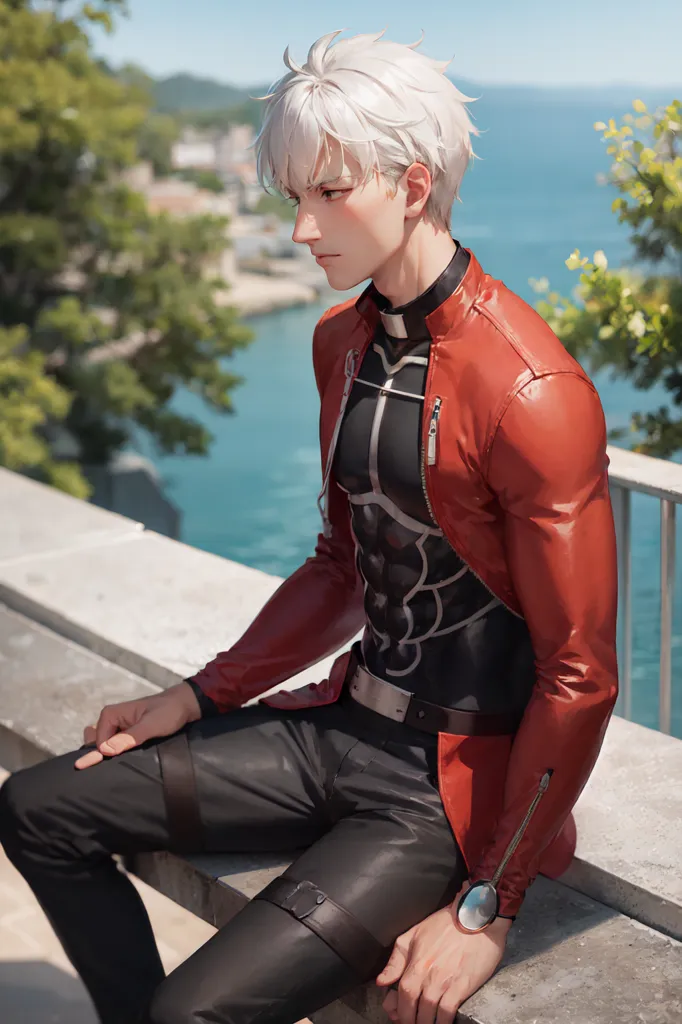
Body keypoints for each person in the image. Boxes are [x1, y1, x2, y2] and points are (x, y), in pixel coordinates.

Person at [0, 27, 619, 1024]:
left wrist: (485, 904)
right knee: (38, 807)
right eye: (294, 197)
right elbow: (342, 563)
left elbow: (579, 671)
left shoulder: (533, 390)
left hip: (440, 796)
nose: (301, 230)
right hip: (339, 726)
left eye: (330, 194)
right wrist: (199, 695)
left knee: (186, 1011)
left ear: (411, 187)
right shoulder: (344, 339)